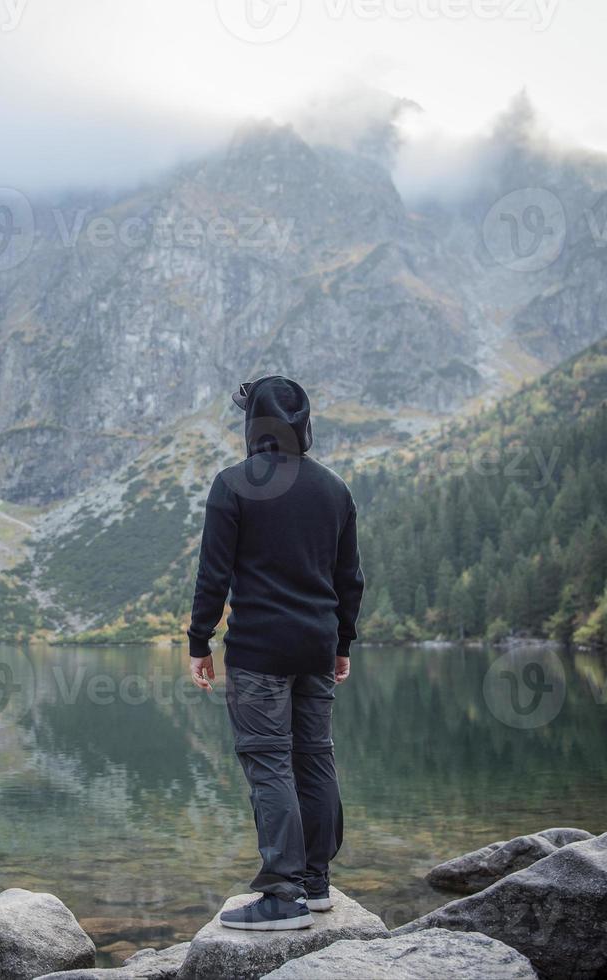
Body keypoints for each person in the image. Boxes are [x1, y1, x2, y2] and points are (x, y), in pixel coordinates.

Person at [186, 375, 364, 931]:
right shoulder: (334, 489)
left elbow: (213, 577)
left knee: (268, 763)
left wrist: (199, 642)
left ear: (253, 424)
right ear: (302, 424)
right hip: (315, 647)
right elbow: (349, 579)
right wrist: (341, 644)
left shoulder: (233, 484)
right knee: (314, 756)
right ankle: (316, 885)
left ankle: (281, 896)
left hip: (259, 652)